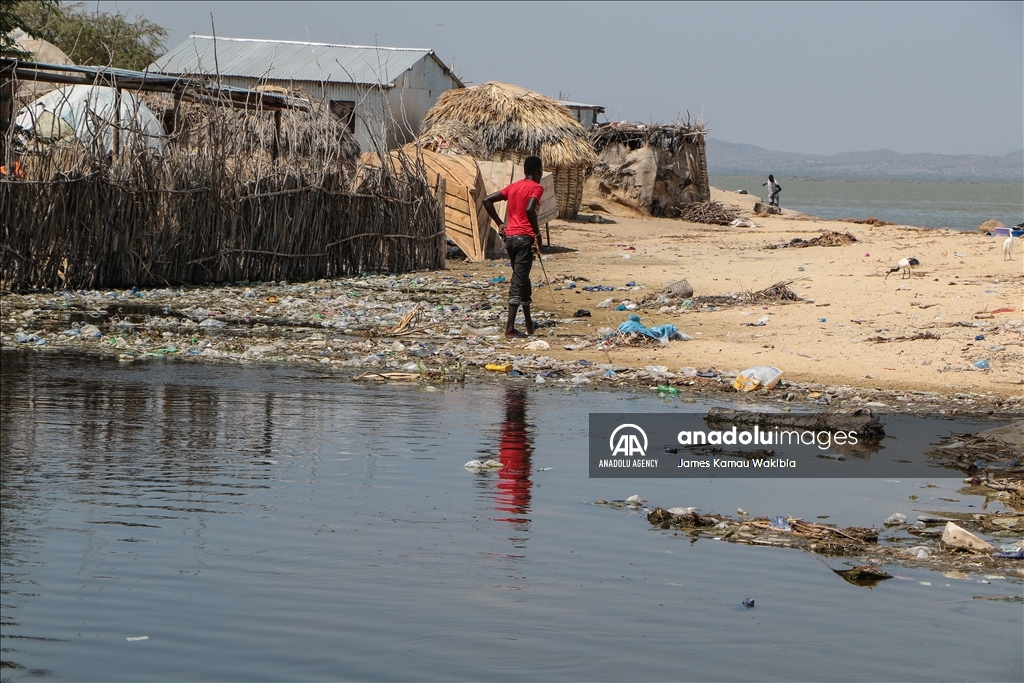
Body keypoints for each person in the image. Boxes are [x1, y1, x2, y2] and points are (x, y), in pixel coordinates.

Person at [482, 155, 544, 338]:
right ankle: (509, 328)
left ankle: (528, 322)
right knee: (519, 280)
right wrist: (537, 235)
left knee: (523, 278)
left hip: (510, 239)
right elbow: (529, 209)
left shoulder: (514, 186)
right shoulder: (537, 187)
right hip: (525, 238)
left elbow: (487, 200)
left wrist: (501, 224)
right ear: (538, 172)